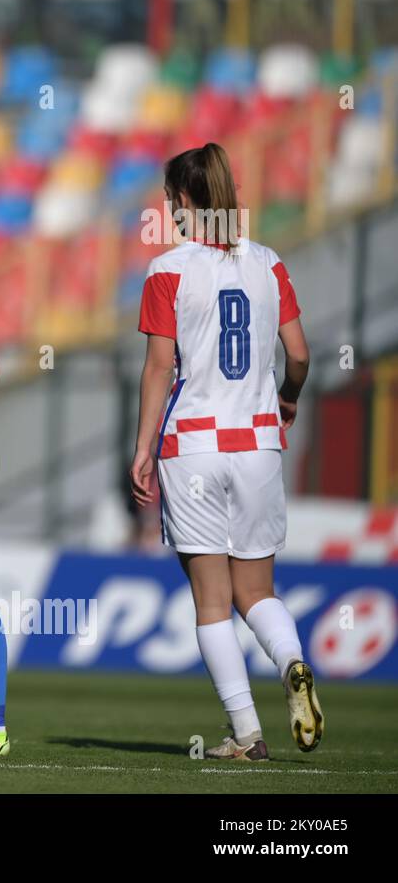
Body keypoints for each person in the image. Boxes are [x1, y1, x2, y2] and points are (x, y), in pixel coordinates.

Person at [131, 142, 321, 760]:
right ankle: (292, 662)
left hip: (192, 447)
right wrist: (288, 398)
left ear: (184, 201)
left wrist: (141, 446)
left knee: (212, 600)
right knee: (257, 592)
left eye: (170, 200)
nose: (170, 211)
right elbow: (299, 356)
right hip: (260, 444)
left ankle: (247, 734)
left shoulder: (167, 269)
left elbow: (160, 367)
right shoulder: (269, 263)